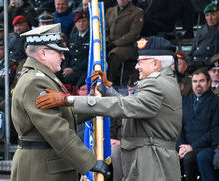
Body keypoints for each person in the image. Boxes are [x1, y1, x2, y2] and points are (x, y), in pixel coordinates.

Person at [36, 36, 183, 181]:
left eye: (140, 62)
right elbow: (134, 105)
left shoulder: (156, 84)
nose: (137, 66)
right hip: (148, 156)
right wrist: (108, 90)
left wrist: (69, 100)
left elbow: (125, 107)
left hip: (152, 160)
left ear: (156, 64)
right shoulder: (162, 82)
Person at [10, 24, 109, 181]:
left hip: (48, 164)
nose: (63, 57)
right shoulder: (36, 82)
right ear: (43, 53)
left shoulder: (44, 77)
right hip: (41, 168)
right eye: (58, 52)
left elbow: (66, 114)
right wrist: (89, 161)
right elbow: (55, 128)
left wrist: (97, 104)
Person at [177, 67, 219, 181]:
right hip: (185, 146)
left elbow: (215, 131)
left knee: (192, 158)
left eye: (201, 81)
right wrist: (181, 147)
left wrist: (192, 147)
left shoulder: (217, 102)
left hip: (206, 147)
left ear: (208, 83)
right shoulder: (184, 102)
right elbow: (178, 128)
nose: (198, 84)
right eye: (195, 81)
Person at [105, 0, 144, 84]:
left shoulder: (137, 12)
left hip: (128, 45)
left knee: (114, 54)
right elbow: (105, 29)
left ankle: (109, 81)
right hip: (110, 43)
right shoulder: (110, 11)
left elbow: (133, 34)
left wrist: (115, 43)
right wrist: (107, 41)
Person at [58, 11, 89, 91]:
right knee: (56, 76)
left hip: (83, 70)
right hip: (71, 68)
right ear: (75, 24)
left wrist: (73, 69)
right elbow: (67, 56)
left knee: (70, 79)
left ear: (88, 22)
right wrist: (65, 68)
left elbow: (89, 59)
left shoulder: (92, 38)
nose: (81, 23)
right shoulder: (72, 37)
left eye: (84, 21)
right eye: (79, 21)